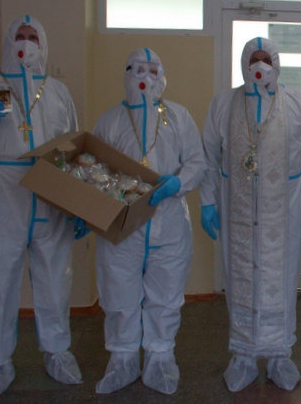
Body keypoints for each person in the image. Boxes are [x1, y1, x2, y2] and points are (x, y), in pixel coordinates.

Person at [0, 15, 84, 402]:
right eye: (19, 36)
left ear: (43, 43)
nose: (25, 43)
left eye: (32, 37)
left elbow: (74, 148)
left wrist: (79, 204)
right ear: (9, 41)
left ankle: (57, 352)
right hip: (3, 190)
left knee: (55, 277)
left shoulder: (58, 92)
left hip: (50, 191)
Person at [200, 37, 301, 392]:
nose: (259, 65)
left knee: (280, 281)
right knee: (239, 278)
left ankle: (280, 356)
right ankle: (242, 357)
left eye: (265, 59)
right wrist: (207, 201)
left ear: (276, 63)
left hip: (282, 212)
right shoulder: (224, 103)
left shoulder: (298, 103)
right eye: (253, 59)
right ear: (243, 63)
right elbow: (208, 156)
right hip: (237, 210)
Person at [92, 48, 207, 395]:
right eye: (138, 69)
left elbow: (197, 161)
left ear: (163, 75)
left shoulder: (179, 117)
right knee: (119, 294)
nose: (146, 77)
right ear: (126, 73)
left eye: (153, 70)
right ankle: (123, 359)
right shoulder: (110, 120)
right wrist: (89, 210)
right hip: (120, 223)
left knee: (166, 294)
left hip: (169, 221)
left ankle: (160, 358)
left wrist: (178, 183)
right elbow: (94, 169)